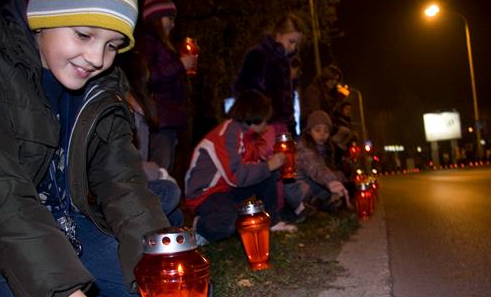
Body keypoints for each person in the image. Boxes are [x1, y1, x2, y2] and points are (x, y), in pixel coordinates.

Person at [0, 0, 214, 297]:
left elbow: (125, 184)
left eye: (112, 45)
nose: (97, 58)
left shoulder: (103, 83)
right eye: (83, 34)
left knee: (179, 296)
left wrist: (164, 272)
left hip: (62, 229)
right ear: (40, 17)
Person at [185, 90, 298, 245]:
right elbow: (236, 175)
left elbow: (251, 168)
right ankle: (201, 226)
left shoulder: (246, 135)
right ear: (256, 117)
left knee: (268, 174)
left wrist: (268, 165)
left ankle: (273, 222)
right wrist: (269, 165)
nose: (267, 126)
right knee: (230, 223)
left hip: (226, 189)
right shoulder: (228, 133)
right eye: (266, 120)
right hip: (206, 194)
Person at [119, 49, 184, 227]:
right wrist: (159, 173)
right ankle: (129, 234)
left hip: (135, 183)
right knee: (168, 192)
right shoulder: (121, 111)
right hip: (120, 189)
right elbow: (122, 165)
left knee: (175, 216)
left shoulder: (139, 111)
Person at [136, 0, 195, 172]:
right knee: (160, 170)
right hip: (160, 120)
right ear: (158, 18)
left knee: (164, 168)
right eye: (170, 18)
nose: (173, 23)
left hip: (167, 119)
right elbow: (146, 76)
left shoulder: (160, 45)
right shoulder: (148, 43)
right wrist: (180, 65)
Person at [234, 14, 305, 136]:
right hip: (263, 127)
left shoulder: (284, 62)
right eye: (291, 41)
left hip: (282, 127)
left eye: (296, 44)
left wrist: (291, 124)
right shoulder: (258, 54)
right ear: (278, 34)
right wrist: (259, 121)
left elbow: (285, 100)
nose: (293, 48)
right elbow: (246, 91)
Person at [284, 111, 352, 220]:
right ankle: (309, 207)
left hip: (312, 184)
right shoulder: (304, 147)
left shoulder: (325, 149)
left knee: (337, 178)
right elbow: (315, 168)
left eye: (326, 131)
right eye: (317, 130)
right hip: (298, 188)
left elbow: (326, 169)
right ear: (309, 131)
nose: (322, 134)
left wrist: (340, 177)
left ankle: (323, 203)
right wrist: (331, 181)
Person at [301, 64, 344, 129]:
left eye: (337, 80)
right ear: (326, 78)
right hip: (312, 126)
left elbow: (333, 114)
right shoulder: (314, 90)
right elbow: (316, 112)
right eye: (332, 79)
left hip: (324, 124)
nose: (334, 82)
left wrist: (337, 100)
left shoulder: (330, 93)